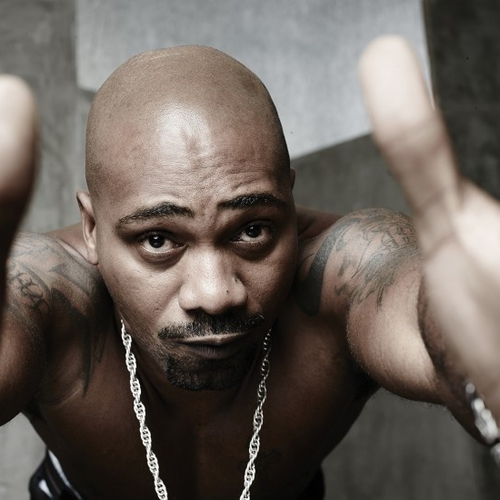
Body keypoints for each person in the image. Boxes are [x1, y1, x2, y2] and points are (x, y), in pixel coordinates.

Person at [0, 35, 497, 499]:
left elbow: (415, 305)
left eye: (252, 230)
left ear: (289, 202)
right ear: (92, 228)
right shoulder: (50, 295)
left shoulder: (342, 274)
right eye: (158, 240)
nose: (216, 294)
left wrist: (464, 345)